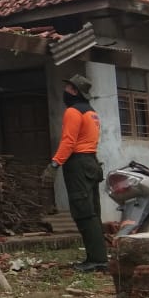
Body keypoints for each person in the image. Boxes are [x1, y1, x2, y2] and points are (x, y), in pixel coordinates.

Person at [42, 74, 107, 272]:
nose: (66, 91)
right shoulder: (91, 112)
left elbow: (68, 142)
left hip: (78, 163)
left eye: (69, 88)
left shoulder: (73, 111)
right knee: (93, 211)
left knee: (83, 211)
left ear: (75, 91)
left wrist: (54, 164)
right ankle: (97, 256)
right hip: (91, 162)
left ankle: (97, 259)